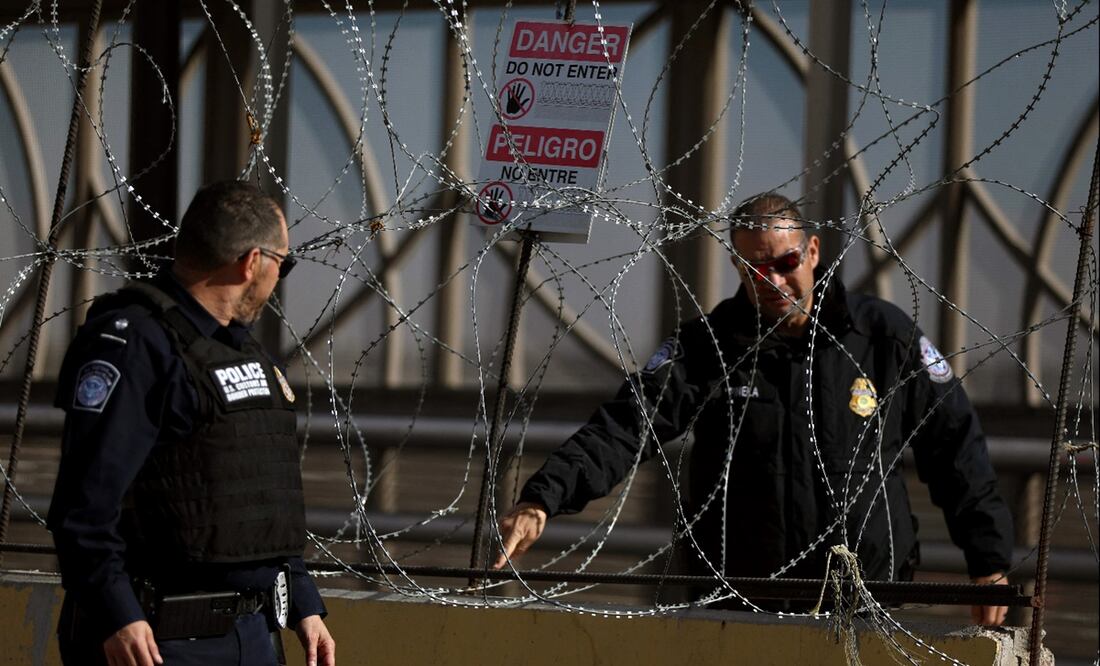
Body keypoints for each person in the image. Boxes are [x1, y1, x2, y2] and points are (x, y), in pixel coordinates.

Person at [495, 192, 1014, 625]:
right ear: (737, 266)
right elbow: (627, 426)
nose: (774, 282)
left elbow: (954, 445)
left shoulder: (882, 336)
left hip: (861, 602)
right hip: (738, 605)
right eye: (755, 269)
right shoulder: (710, 346)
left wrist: (988, 562)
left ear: (812, 252)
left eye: (786, 263)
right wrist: (543, 498)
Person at [48, 181, 336, 665]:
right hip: (159, 640)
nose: (279, 279)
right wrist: (116, 613)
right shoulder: (138, 345)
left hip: (253, 633)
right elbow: (85, 503)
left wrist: (302, 603)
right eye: (283, 265)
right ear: (252, 263)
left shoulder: (240, 350)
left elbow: (258, 495)